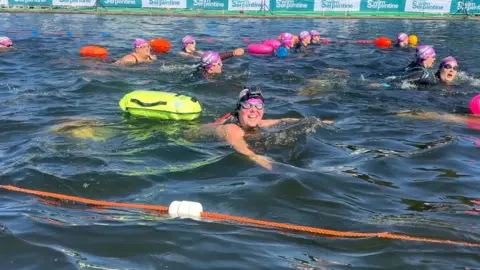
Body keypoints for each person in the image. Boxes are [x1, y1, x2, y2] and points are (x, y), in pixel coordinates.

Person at [211, 87, 334, 170]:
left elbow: (283, 121)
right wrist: (270, 165)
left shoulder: (261, 123)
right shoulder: (231, 128)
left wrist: (319, 121)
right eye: (247, 105)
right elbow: (241, 147)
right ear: (239, 109)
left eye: (258, 105)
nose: (254, 110)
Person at [370, 56, 458, 88]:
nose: (451, 70)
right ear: (440, 68)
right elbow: (400, 81)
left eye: (455, 68)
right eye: (448, 66)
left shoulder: (455, 84)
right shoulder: (425, 75)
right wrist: (382, 85)